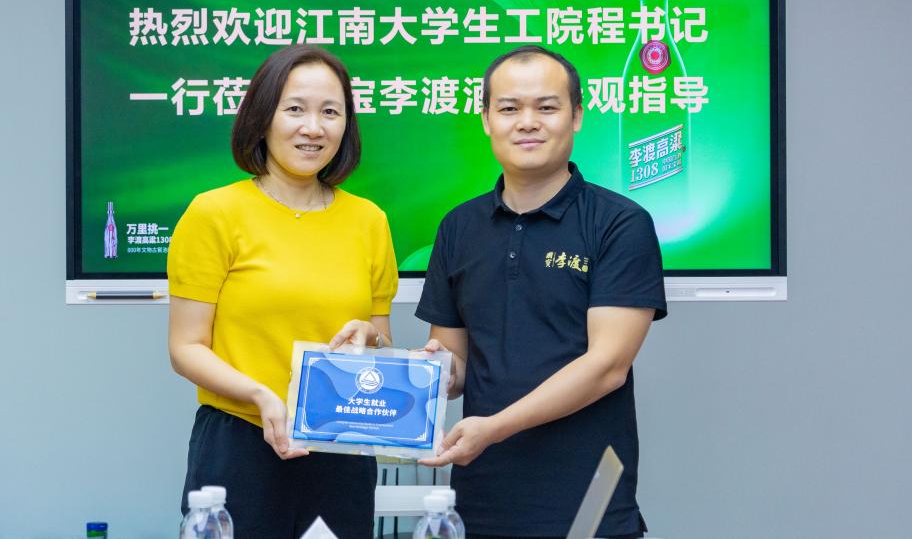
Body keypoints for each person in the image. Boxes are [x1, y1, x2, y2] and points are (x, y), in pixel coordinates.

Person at [415, 46, 667, 539]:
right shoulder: (458, 227)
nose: (527, 122)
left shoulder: (619, 224)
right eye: (509, 108)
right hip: (480, 500)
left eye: (546, 107)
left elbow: (607, 368)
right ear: (486, 119)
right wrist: (424, 369)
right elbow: (454, 364)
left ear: (576, 116)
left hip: (588, 505)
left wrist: (494, 428)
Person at [167, 46, 398, 539]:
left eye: (330, 112)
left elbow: (381, 341)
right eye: (295, 109)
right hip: (240, 441)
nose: (313, 128)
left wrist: (370, 338)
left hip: (340, 446)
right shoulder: (214, 213)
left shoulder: (370, 221)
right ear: (262, 117)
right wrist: (260, 396)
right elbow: (186, 348)